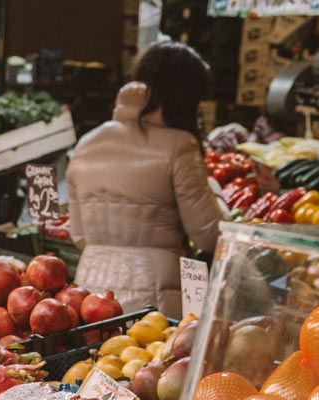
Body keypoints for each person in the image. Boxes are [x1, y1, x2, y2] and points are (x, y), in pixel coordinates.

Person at [66, 42, 225, 319]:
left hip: (90, 295)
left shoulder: (87, 143)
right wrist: (216, 192)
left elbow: (79, 235)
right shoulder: (179, 145)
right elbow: (210, 235)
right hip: (155, 304)